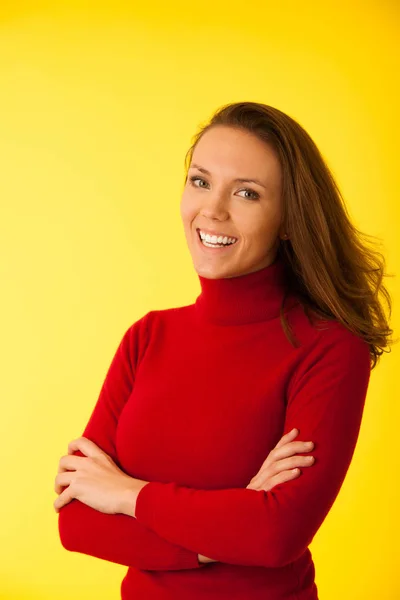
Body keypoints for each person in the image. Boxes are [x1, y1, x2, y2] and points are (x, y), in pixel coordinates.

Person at [54, 101, 394, 599]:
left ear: (287, 220)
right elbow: (78, 523)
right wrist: (228, 524)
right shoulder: (147, 337)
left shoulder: (327, 348)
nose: (213, 210)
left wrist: (127, 495)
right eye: (200, 181)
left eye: (247, 193)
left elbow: (276, 535)